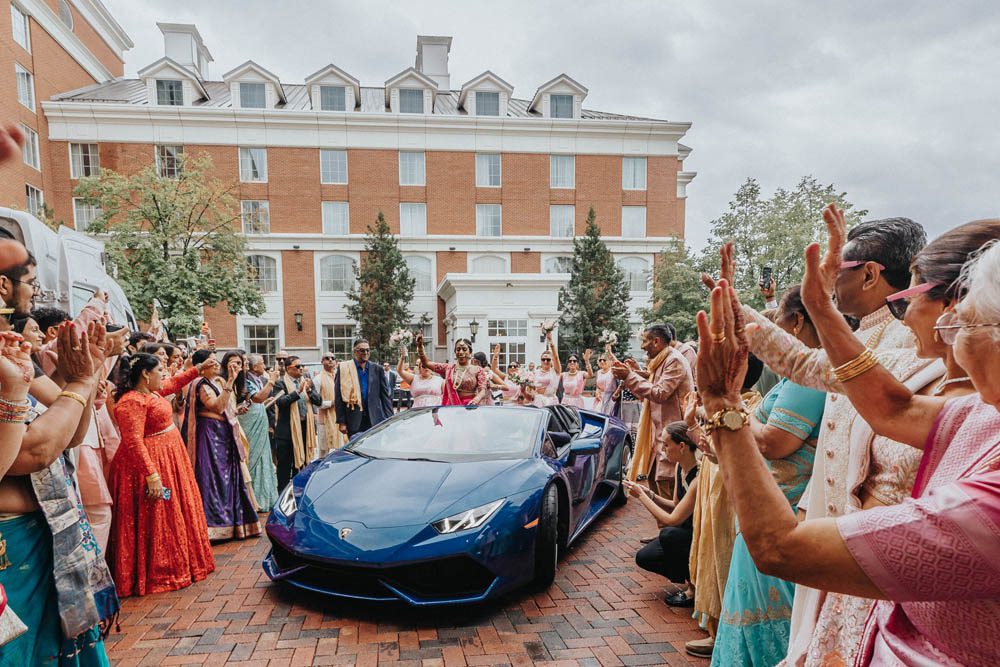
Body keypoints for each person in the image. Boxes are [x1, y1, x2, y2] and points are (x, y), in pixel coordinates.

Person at [694, 217, 1000, 667]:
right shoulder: (978, 414)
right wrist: (813, 305)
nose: (950, 320)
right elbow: (874, 401)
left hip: (880, 571)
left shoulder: (985, 488)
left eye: (911, 297)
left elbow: (780, 547)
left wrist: (722, 403)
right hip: (865, 575)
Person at [711, 285, 825, 667]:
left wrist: (725, 409)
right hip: (770, 503)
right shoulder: (797, 376)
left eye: (776, 322)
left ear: (796, 323)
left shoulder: (808, 379)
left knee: (767, 617)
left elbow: (774, 442)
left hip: (782, 508)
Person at [108, 351, 216, 599]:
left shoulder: (150, 392)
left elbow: (173, 384)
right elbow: (133, 442)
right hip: (148, 468)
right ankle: (159, 571)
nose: (163, 376)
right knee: (157, 513)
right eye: (159, 371)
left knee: (170, 511)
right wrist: (151, 475)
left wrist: (197, 369)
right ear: (145, 374)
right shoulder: (130, 402)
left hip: (168, 459)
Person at [182, 350, 260, 541]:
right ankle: (214, 527)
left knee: (226, 479)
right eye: (212, 361)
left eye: (217, 361)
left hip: (222, 434)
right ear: (201, 365)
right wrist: (231, 381)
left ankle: (233, 524)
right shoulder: (200, 384)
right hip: (210, 437)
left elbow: (225, 408)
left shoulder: (214, 383)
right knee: (213, 479)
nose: (217, 364)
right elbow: (216, 406)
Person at [612, 324, 693, 489]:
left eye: (644, 341)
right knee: (655, 484)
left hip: (674, 439)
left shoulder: (674, 360)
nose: (642, 347)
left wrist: (629, 376)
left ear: (656, 341)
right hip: (659, 439)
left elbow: (660, 393)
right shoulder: (661, 361)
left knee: (668, 489)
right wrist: (634, 374)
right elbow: (649, 392)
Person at [630, 422, 700, 604]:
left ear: (682, 446)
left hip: (697, 535)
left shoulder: (697, 478)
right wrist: (649, 494)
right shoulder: (679, 467)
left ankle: (694, 587)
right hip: (684, 530)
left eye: (666, 444)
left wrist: (641, 497)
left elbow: (671, 519)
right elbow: (676, 504)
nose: (663, 449)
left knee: (669, 534)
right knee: (644, 557)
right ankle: (687, 577)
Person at [273, 356, 322, 488]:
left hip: (305, 429)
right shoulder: (280, 383)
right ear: (288, 368)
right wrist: (298, 391)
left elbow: (319, 401)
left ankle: (299, 491)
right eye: (297, 367)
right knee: (284, 466)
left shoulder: (307, 382)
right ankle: (282, 494)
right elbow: (280, 402)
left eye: (302, 366)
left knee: (302, 464)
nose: (301, 369)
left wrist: (309, 390)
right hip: (287, 432)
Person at [241, 354, 279, 511]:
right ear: (254, 367)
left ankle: (267, 497)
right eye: (262, 363)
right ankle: (255, 498)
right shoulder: (245, 381)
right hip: (250, 424)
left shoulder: (255, 379)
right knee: (254, 458)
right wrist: (272, 380)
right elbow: (257, 398)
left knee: (264, 458)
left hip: (260, 421)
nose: (264, 366)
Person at [334, 339, 393, 436]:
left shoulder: (377, 369)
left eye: (368, 350)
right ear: (355, 351)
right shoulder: (345, 368)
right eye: (362, 350)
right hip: (354, 419)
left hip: (374, 419)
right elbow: (338, 396)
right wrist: (341, 421)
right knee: (356, 450)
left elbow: (385, 396)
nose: (365, 353)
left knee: (375, 448)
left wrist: (390, 418)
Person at [415, 334, 489, 406]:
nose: (461, 352)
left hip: (470, 406)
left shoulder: (478, 370)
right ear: (455, 352)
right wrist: (420, 347)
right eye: (458, 349)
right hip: (452, 407)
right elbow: (426, 363)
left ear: (470, 352)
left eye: (464, 349)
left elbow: (482, 389)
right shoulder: (448, 368)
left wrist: (476, 399)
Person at [315, 353, 346, 457]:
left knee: (340, 448)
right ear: (322, 362)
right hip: (324, 420)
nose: (330, 360)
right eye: (327, 358)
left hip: (339, 419)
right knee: (324, 451)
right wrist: (331, 403)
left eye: (333, 358)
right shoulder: (318, 379)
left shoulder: (339, 377)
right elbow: (316, 403)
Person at [532, 332, 561, 407]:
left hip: (551, 401)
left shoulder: (555, 371)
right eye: (543, 359)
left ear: (551, 361)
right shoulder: (535, 372)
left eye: (548, 359)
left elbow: (556, 357)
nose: (545, 361)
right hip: (538, 400)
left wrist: (551, 341)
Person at [595, 348, 618, 415]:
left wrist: (610, 352)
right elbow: (598, 386)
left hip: (611, 398)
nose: (602, 361)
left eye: (604, 360)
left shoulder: (612, 371)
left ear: (610, 361)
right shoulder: (599, 372)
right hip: (600, 398)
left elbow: (619, 364)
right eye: (600, 360)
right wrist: (597, 391)